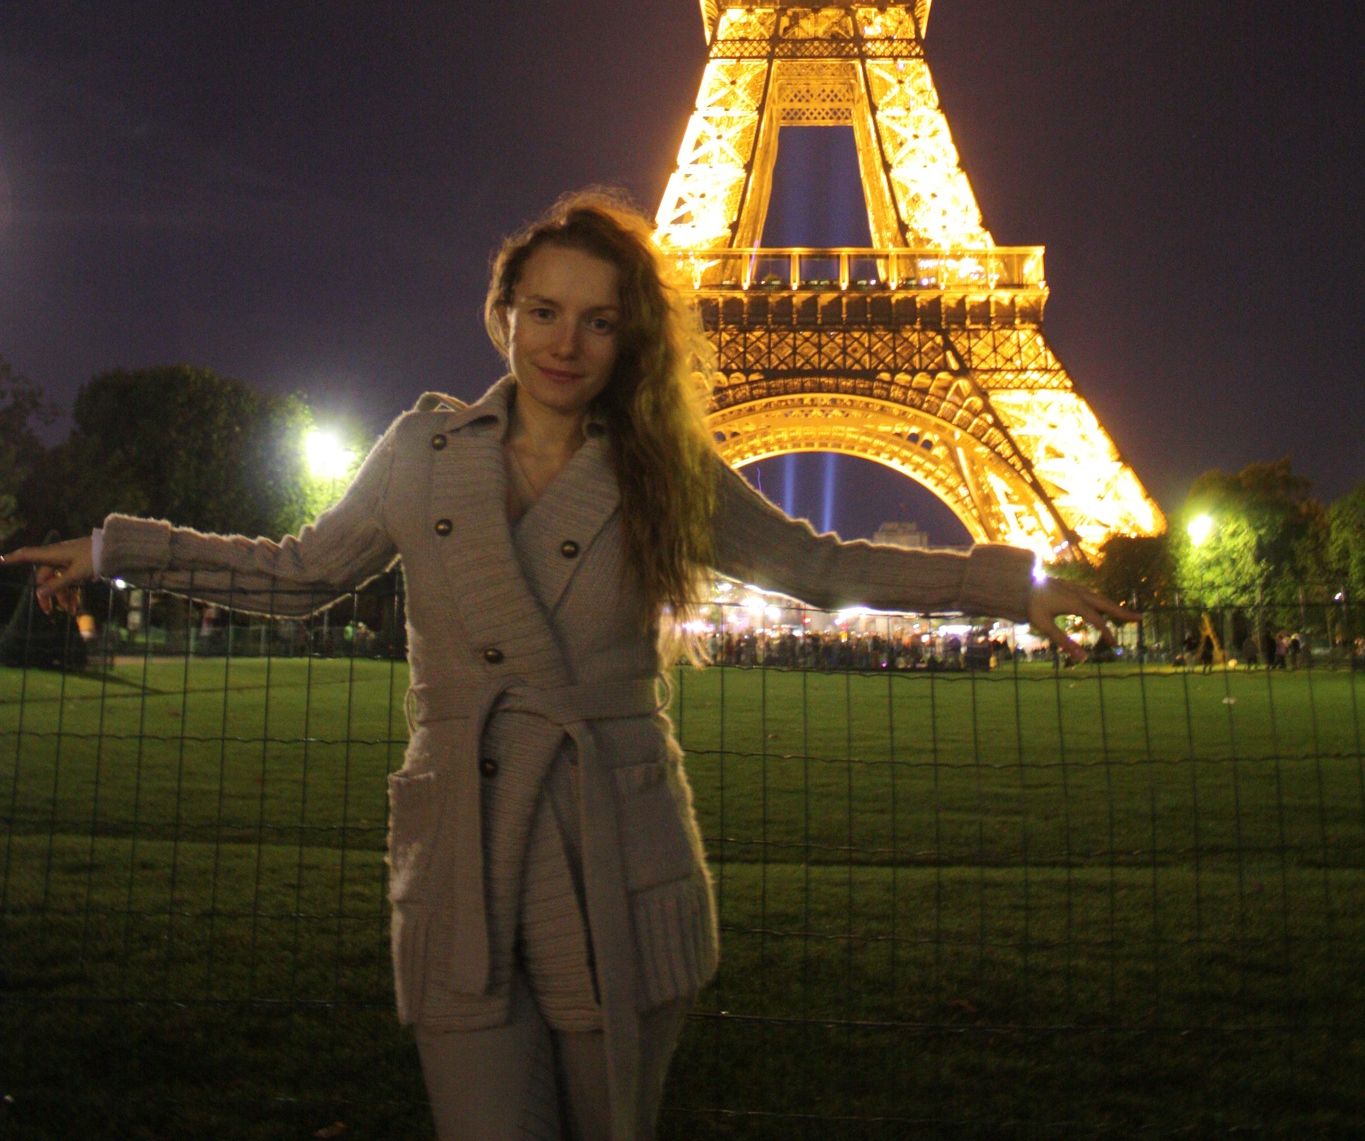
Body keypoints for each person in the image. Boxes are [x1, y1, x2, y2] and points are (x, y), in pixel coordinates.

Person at [2, 193, 1133, 1141]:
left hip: (615, 853)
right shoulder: (419, 454)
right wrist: (113, 549)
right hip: (466, 856)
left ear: (630, 339)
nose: (565, 343)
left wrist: (1014, 583)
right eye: (543, 311)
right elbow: (298, 573)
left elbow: (818, 565)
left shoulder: (661, 467)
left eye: (599, 321)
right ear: (503, 312)